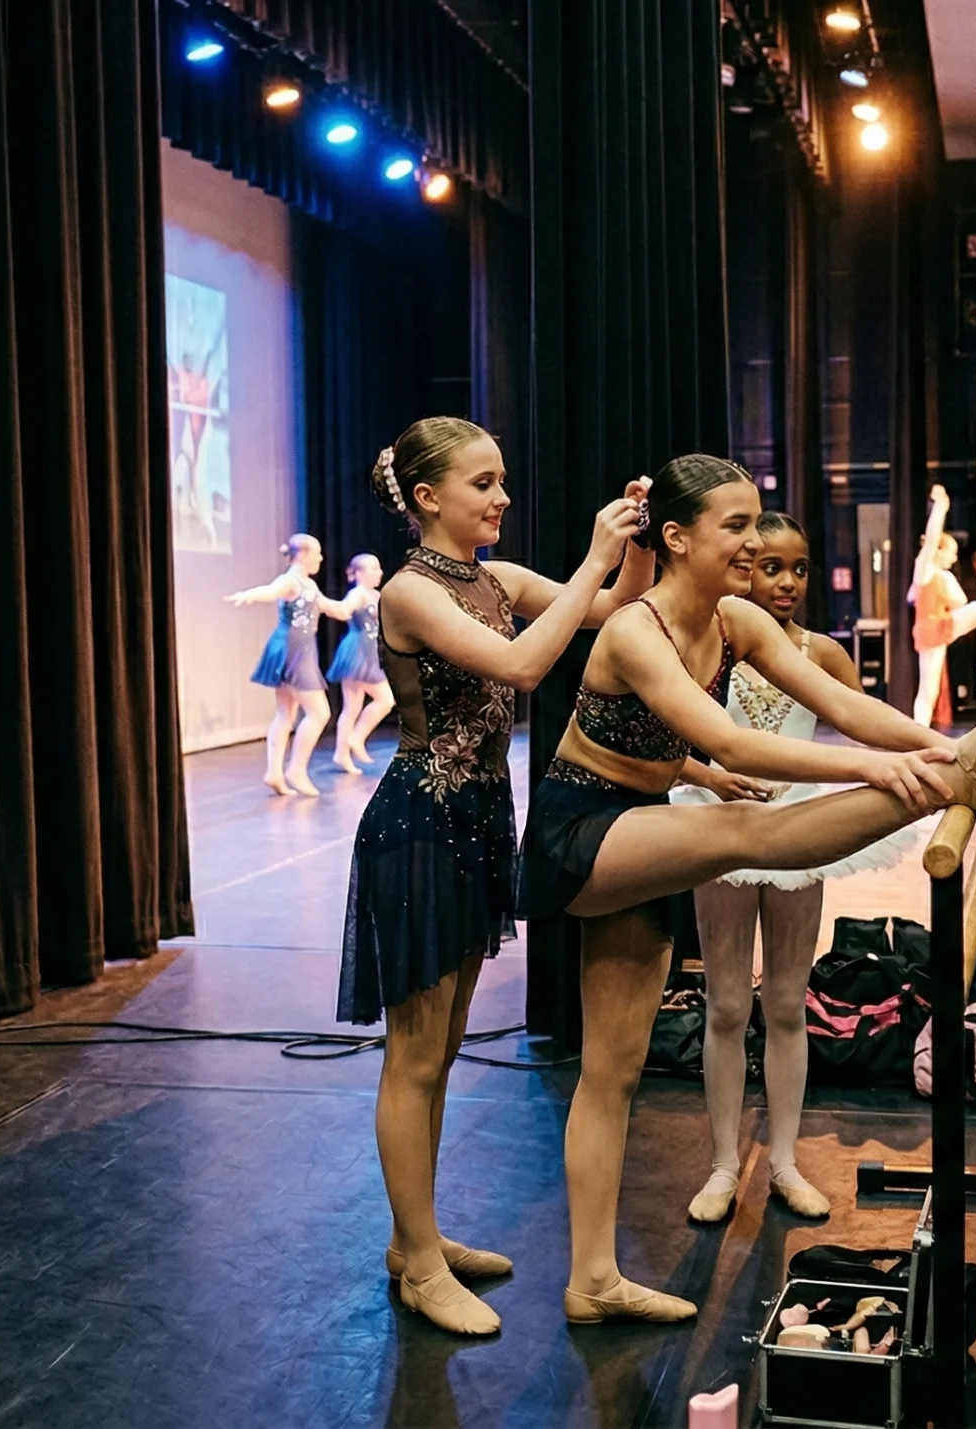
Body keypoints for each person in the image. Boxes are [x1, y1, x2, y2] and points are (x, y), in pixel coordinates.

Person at [520, 454, 976, 1325]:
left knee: (611, 1074)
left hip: (641, 828)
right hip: (582, 833)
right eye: (736, 526)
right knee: (744, 832)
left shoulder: (732, 621)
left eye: (757, 523)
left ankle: (592, 1279)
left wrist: (940, 743)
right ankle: (960, 784)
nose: (754, 542)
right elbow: (737, 746)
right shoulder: (635, 631)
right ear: (678, 538)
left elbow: (845, 701)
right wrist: (891, 771)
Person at [338, 417, 657, 1337]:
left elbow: (613, 611)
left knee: (441, 1052)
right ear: (428, 498)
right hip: (417, 829)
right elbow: (525, 662)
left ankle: (418, 1238)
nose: (503, 497)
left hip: (477, 822)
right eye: (484, 483)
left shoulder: (498, 581)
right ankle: (418, 1262)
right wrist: (596, 560)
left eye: (504, 480)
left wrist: (627, 540)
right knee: (417, 1053)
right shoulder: (409, 593)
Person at [670, 513, 920, 1226]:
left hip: (798, 833)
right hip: (718, 825)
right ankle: (723, 1162)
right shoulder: (709, 643)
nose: (785, 582)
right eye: (770, 566)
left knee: (786, 1002)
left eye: (799, 567)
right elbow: (661, 737)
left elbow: (867, 720)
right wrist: (708, 776)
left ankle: (782, 1158)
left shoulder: (823, 652)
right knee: (724, 1003)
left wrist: (931, 760)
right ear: (743, 565)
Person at [230, 535, 366, 797]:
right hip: (293, 648)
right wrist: (249, 595)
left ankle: (274, 772)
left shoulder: (308, 585)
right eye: (317, 553)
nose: (321, 558)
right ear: (302, 555)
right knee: (319, 713)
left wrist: (360, 601)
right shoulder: (290, 581)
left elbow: (334, 609)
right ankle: (296, 770)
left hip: (294, 646)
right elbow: (271, 590)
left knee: (286, 712)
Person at [908, 484, 976, 725]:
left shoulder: (939, 576)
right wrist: (941, 507)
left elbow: (960, 601)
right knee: (928, 688)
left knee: (929, 688)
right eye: (952, 553)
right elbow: (932, 540)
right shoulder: (924, 569)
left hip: (939, 625)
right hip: (933, 628)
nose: (955, 558)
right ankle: (918, 730)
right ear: (939, 552)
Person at [325, 553, 396, 774]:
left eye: (379, 568)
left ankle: (341, 753)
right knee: (385, 699)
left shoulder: (375, 594)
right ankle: (355, 738)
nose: (379, 573)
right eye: (373, 569)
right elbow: (344, 609)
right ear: (358, 573)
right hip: (358, 650)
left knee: (353, 706)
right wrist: (326, 605)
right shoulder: (358, 595)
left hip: (370, 650)